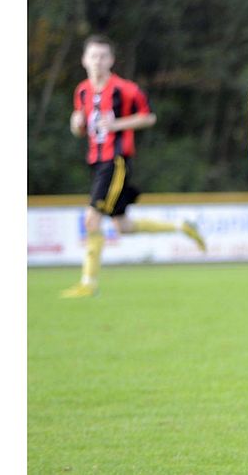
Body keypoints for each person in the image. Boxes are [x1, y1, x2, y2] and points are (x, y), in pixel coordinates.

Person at [62, 35, 206, 299]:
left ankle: (88, 283)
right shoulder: (81, 91)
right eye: (93, 56)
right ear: (84, 60)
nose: (98, 61)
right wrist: (75, 123)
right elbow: (80, 129)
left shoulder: (124, 88)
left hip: (115, 161)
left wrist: (117, 125)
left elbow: (149, 116)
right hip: (96, 161)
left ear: (111, 60)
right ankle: (180, 226)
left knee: (91, 219)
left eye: (103, 56)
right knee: (121, 226)